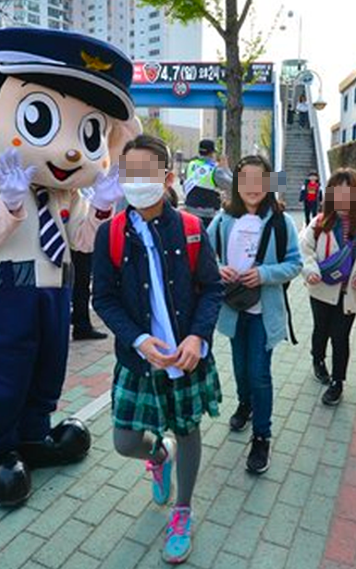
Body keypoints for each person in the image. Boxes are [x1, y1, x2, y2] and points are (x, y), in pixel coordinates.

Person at [0, 28, 140, 507]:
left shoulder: (65, 194)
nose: (72, 151)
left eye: (88, 134)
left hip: (52, 293)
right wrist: (8, 203)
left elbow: (82, 242)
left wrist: (102, 208)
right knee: (5, 374)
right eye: (39, 118)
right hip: (1, 295)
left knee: (48, 368)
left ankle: (32, 437)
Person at [93, 135, 224, 565]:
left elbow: (211, 288)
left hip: (186, 358)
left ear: (167, 178)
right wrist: (138, 339)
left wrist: (197, 337)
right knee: (125, 440)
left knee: (188, 430)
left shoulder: (191, 228)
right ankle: (158, 455)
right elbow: (103, 298)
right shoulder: (111, 234)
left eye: (146, 172)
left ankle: (182, 511)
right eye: (129, 172)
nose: (136, 181)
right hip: (138, 359)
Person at [208, 155, 302, 474]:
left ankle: (262, 436)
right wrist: (219, 269)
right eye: (245, 179)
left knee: (259, 373)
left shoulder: (281, 221)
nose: (252, 186)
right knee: (240, 366)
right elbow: (204, 254)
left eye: (259, 179)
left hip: (265, 312)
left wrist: (264, 274)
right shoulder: (224, 219)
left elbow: (295, 263)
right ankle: (244, 405)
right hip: (234, 308)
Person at [300, 167, 356, 406]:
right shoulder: (319, 223)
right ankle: (317, 359)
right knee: (321, 330)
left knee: (340, 337)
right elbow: (304, 250)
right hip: (321, 290)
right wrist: (311, 271)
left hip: (349, 294)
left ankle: (337, 382)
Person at [182, 139, 233, 227]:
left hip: (189, 212)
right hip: (208, 215)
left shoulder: (190, 165)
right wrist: (226, 168)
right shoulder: (214, 169)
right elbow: (231, 184)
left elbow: (184, 184)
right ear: (212, 153)